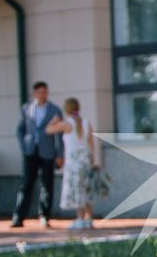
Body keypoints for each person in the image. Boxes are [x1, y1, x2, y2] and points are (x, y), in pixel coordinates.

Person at [11, 81, 62, 228]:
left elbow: (59, 135)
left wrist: (60, 154)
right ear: (34, 93)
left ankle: (44, 216)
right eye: (40, 92)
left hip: (47, 152)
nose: (43, 94)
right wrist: (24, 146)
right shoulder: (26, 109)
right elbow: (20, 129)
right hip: (30, 152)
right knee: (26, 184)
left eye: (45, 91)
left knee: (47, 185)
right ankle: (18, 216)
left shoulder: (55, 110)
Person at [47, 96, 102, 230]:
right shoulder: (86, 123)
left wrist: (53, 121)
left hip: (73, 163)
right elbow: (91, 144)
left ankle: (80, 218)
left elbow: (48, 130)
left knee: (76, 189)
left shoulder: (66, 124)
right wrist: (94, 161)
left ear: (66, 109)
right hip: (86, 160)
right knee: (87, 189)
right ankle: (89, 219)